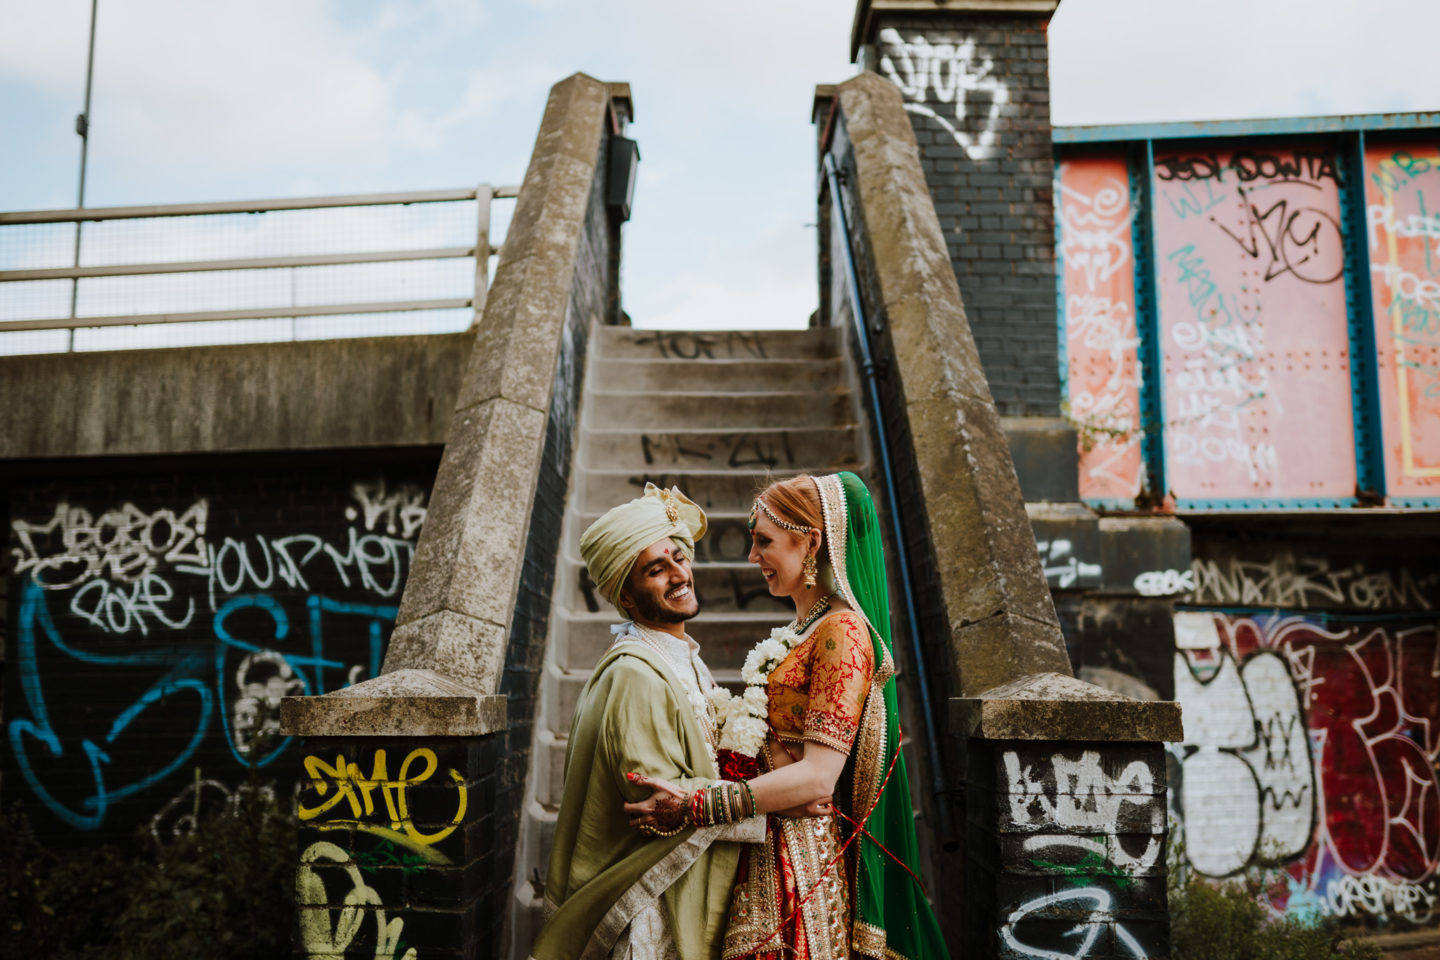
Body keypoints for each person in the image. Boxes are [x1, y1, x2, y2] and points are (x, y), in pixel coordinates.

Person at [624, 472, 948, 960]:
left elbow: (819, 777)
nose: (753, 558)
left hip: (803, 863)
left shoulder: (841, 632)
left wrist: (696, 807)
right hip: (769, 842)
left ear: (810, 542)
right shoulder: (804, 629)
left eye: (763, 542)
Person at [531, 482, 765, 960]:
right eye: (656, 570)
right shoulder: (635, 674)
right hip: (651, 913)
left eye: (678, 557)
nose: (679, 574)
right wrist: (780, 802)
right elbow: (659, 803)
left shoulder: (681, 657)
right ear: (629, 599)